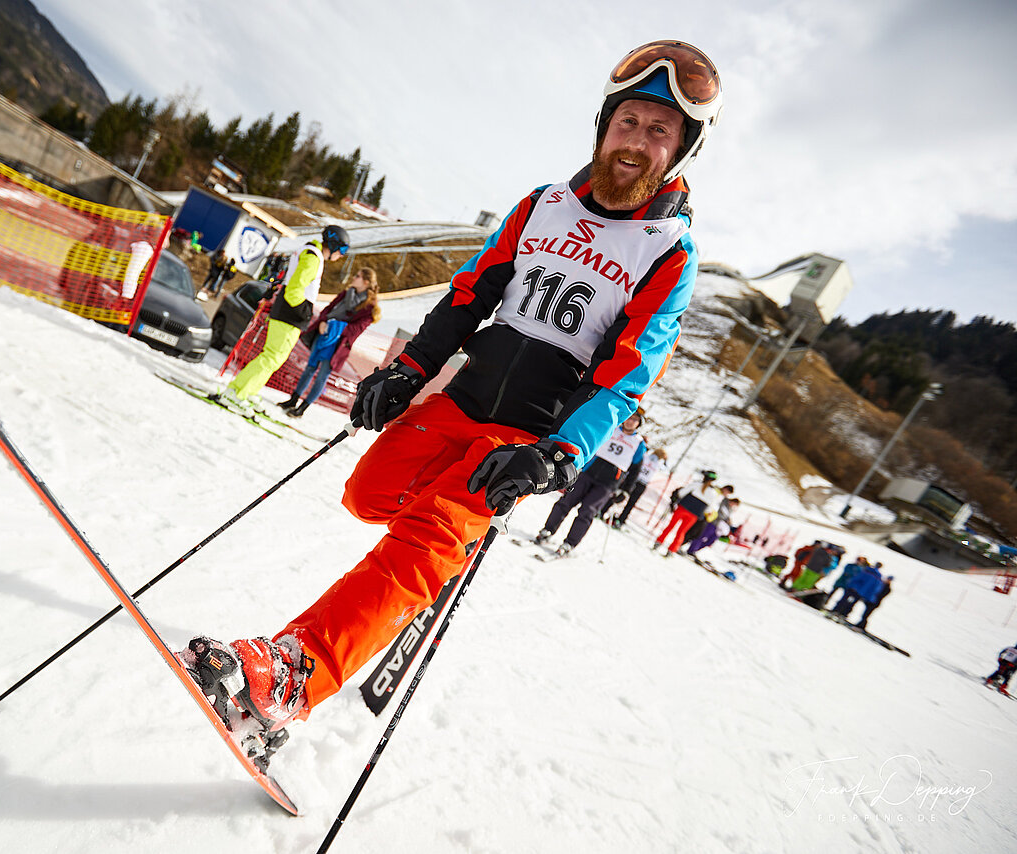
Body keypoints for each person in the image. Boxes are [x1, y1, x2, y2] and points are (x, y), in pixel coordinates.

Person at [181, 41, 723, 749]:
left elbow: (627, 375)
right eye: (629, 122)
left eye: (659, 132)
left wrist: (559, 455)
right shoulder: (545, 206)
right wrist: (409, 370)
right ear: (603, 125)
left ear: (681, 150)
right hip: (462, 400)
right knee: (369, 493)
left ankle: (293, 675)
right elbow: (470, 295)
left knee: (428, 534)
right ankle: (433, 562)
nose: (637, 143)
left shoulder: (668, 248)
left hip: (522, 437)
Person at [213, 225, 350, 413]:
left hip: (288, 312)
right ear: (334, 244)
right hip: (291, 314)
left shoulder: (310, 251)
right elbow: (295, 288)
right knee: (272, 357)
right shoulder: (313, 257)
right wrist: (303, 312)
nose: (342, 255)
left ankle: (248, 390)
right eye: (342, 249)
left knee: (273, 358)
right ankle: (237, 392)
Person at [533, 408, 647, 556]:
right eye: (630, 418)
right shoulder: (611, 429)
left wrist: (625, 490)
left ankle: (569, 543)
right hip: (589, 472)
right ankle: (548, 530)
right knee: (566, 502)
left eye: (635, 420)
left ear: (639, 424)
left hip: (608, 482)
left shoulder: (639, 443)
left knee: (587, 512)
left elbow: (635, 470)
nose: (630, 421)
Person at [279, 267, 381, 417]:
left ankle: (302, 409)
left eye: (357, 276)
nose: (353, 277)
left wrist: (333, 326)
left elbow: (356, 329)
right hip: (322, 334)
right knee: (309, 368)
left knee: (322, 376)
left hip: (338, 345)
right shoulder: (347, 293)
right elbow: (329, 308)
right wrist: (323, 321)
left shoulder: (369, 308)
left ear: (366, 282)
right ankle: (293, 400)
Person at [653, 470, 720, 556]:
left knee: (670, 526)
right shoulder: (713, 493)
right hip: (694, 514)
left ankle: (658, 542)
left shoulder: (696, 484)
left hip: (683, 508)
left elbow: (681, 493)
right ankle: (672, 550)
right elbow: (709, 509)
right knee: (682, 532)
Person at [611, 446, 667, 528]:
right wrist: (666, 461)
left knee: (619, 495)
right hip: (642, 484)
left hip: (634, 479)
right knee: (630, 504)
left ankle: (604, 510)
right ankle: (621, 520)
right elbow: (665, 469)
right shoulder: (658, 464)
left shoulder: (645, 456)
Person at [687, 490, 737, 555]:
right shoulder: (723, 502)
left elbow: (725, 516)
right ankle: (691, 549)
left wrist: (727, 520)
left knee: (710, 541)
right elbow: (717, 510)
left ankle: (695, 550)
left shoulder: (730, 510)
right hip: (712, 521)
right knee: (702, 536)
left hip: (717, 525)